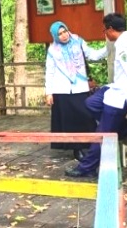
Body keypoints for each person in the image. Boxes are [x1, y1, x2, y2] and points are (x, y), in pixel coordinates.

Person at [66, 13, 127, 177]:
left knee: (103, 132)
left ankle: (86, 168)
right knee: (91, 103)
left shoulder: (126, 46)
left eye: (105, 30)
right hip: (117, 88)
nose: (104, 33)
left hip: (124, 95)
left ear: (111, 29)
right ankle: (125, 127)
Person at [45, 21, 107, 160]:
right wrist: (49, 92)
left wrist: (109, 47)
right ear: (55, 36)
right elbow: (50, 71)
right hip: (61, 90)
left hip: (80, 87)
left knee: (86, 116)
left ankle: (90, 145)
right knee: (69, 121)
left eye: (65, 31)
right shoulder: (53, 50)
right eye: (59, 34)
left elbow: (93, 55)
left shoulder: (78, 41)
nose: (63, 35)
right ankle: (76, 149)